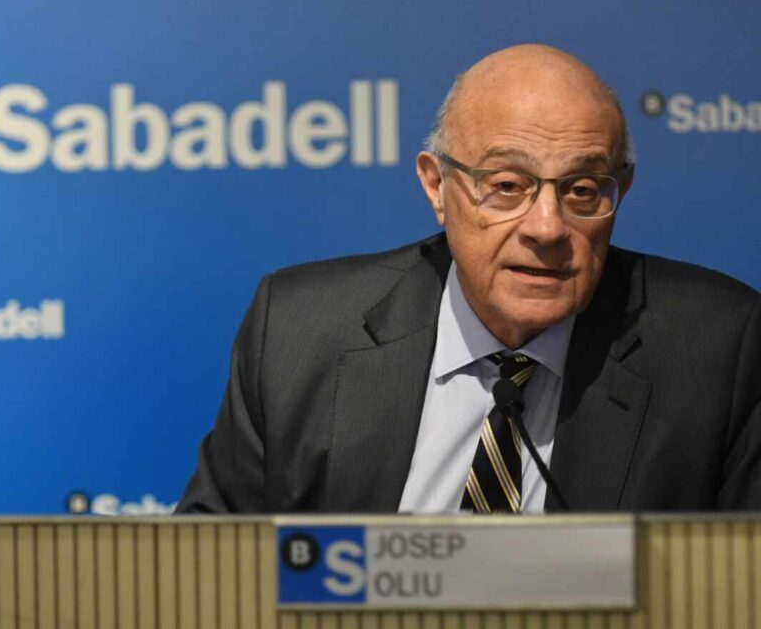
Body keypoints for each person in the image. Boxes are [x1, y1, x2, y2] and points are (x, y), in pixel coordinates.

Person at [177, 44, 761, 514]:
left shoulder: (717, 349)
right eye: (507, 186)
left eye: (582, 190)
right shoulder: (298, 332)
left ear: (620, 193)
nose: (547, 227)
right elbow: (212, 569)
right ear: (437, 186)